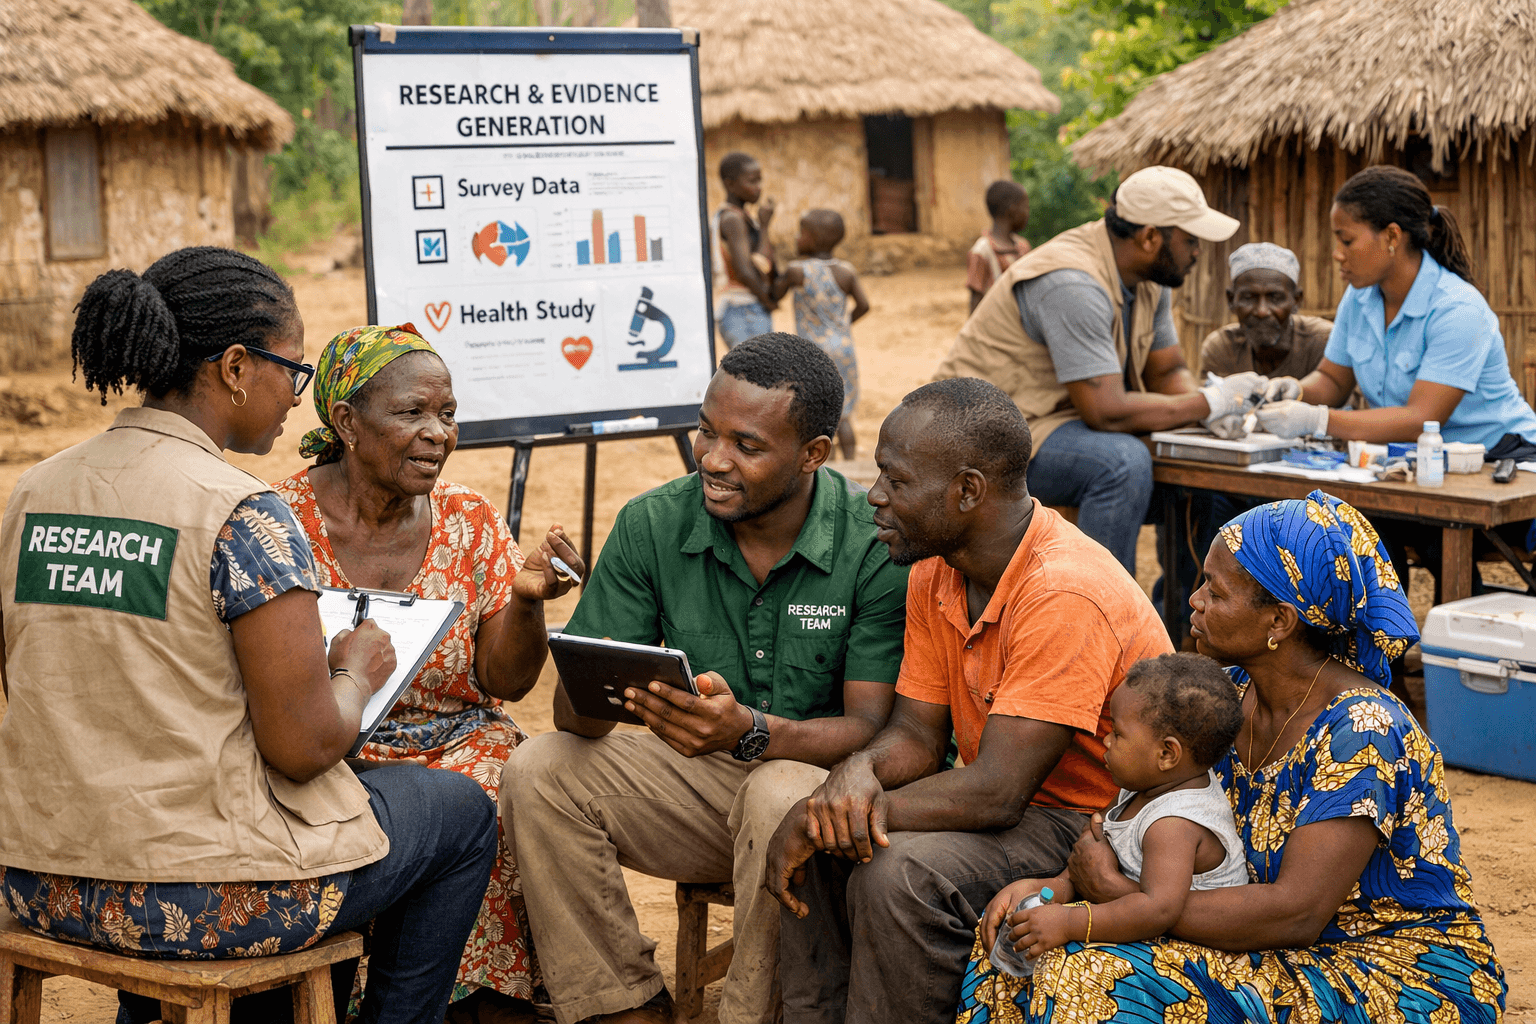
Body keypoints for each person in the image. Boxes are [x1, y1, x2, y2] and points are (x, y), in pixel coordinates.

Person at [0, 248, 498, 1024]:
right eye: (292, 372)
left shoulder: (36, 491)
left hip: (41, 880)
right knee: (459, 812)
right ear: (236, 366)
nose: (297, 400)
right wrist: (356, 672)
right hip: (204, 897)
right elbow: (302, 745)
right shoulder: (241, 512)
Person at [956, 490, 1507, 1024]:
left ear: (1279, 622)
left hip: (1380, 969)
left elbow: (1298, 914)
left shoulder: (1362, 730)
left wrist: (1116, 900)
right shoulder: (1222, 696)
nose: (1193, 601)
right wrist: (1051, 889)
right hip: (1247, 940)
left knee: (1091, 975)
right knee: (1014, 945)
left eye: (1215, 593)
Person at [502, 332, 908, 1024]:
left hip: (828, 799)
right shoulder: (653, 522)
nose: (714, 460)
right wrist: (596, 656)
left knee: (777, 788)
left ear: (813, 454)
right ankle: (623, 1006)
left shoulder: (872, 544)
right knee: (538, 769)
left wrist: (752, 731)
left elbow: (871, 731)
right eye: (704, 431)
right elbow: (579, 722)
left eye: (746, 446)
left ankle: (749, 1014)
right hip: (700, 789)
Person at [764, 377, 1173, 1024]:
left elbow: (999, 791)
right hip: (1017, 808)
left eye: (896, 482)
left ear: (968, 491)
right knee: (826, 836)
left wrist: (841, 811)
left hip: (1100, 825)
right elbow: (918, 738)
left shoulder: (1064, 592)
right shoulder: (937, 566)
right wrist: (854, 778)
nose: (874, 497)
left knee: (897, 872)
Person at [271, 324, 582, 1020]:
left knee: (510, 780)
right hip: (329, 745)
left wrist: (528, 602)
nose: (437, 433)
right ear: (347, 423)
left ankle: (479, 1004)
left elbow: (504, 682)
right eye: (411, 414)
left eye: (447, 415)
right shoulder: (278, 522)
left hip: (456, 739)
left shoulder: (468, 520)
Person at [933, 165, 1254, 576]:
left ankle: (1185, 621)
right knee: (1120, 463)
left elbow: (1168, 369)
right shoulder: (1073, 283)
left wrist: (1210, 420)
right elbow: (1106, 412)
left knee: (1203, 468)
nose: (1198, 253)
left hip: (1055, 423)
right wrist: (1207, 402)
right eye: (1191, 240)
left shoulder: (1148, 277)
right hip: (982, 437)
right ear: (1151, 236)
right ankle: (1101, 615)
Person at [1256, 165, 1536, 598]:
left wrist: (1314, 418)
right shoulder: (1360, 297)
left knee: (1423, 534)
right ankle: (1384, 656)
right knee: (1361, 529)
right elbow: (1333, 378)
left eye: (1346, 239)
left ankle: (1444, 644)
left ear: (1391, 236)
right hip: (1416, 471)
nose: (1337, 253)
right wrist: (1289, 389)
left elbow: (1419, 419)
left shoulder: (1457, 309)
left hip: (1498, 467)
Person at [978, 652, 1247, 972]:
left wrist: (1066, 923)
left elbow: (1156, 911)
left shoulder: (1174, 823)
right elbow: (1083, 867)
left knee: (1068, 968)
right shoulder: (1142, 786)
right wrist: (1045, 891)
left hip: (1195, 956)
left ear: (1166, 753)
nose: (1105, 739)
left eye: (1117, 733)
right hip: (1132, 924)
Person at [772, 209, 870, 460]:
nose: (796, 237)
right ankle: (851, 465)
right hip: (844, 348)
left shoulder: (797, 271)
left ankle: (829, 466)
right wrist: (843, 326)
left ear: (813, 238)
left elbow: (774, 294)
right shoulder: (846, 271)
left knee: (820, 413)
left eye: (801, 232)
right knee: (843, 413)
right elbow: (864, 305)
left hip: (814, 351)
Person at [1200, 242, 1333, 378]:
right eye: (1248, 297)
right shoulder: (1222, 349)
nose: (1262, 311)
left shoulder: (1324, 342)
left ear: (1296, 301)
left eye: (1275, 298)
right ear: (1231, 300)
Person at [713, 151, 778, 349]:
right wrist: (767, 301)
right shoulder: (732, 219)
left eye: (760, 181)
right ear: (730, 184)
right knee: (756, 376)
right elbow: (744, 270)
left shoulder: (743, 216)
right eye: (752, 181)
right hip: (742, 309)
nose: (758, 188)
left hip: (746, 308)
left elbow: (763, 263)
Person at [967, 181, 1032, 313]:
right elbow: (976, 300)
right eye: (1025, 207)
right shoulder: (981, 251)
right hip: (994, 327)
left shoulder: (1023, 247)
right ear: (1012, 209)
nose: (1027, 213)